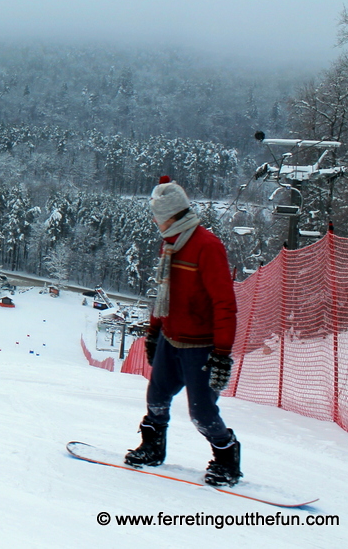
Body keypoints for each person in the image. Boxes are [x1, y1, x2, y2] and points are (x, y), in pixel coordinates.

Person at [124, 176, 241, 487]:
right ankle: (152, 447)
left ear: (172, 215)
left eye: (158, 216)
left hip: (201, 346)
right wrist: (153, 331)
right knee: (157, 399)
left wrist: (222, 353)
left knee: (202, 413)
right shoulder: (171, 243)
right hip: (171, 338)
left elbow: (225, 303)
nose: (155, 222)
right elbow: (164, 293)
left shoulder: (207, 246)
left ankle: (226, 455)